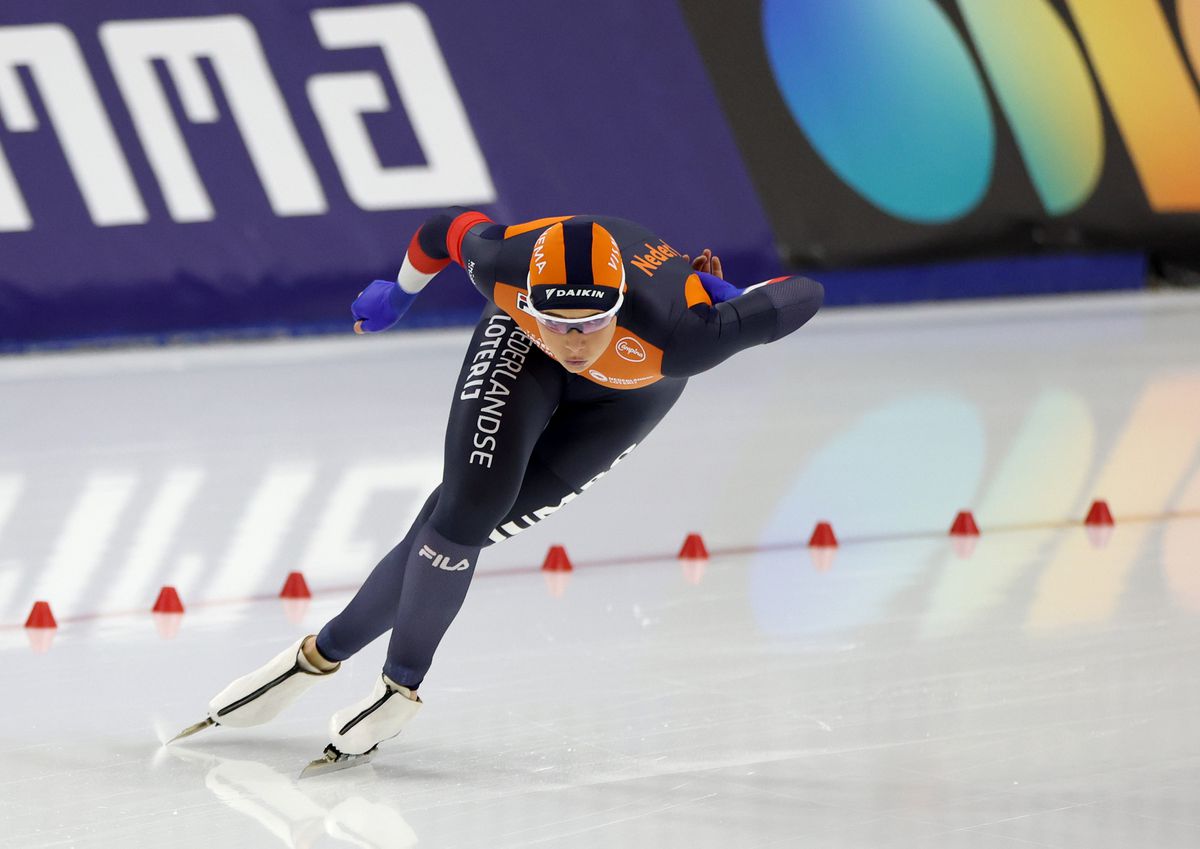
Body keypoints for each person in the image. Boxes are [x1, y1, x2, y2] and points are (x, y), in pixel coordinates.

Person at [172, 209, 823, 775]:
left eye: (590, 321)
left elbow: (805, 291)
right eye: (556, 319)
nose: (572, 341)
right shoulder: (501, 266)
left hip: (629, 396)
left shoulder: (686, 337)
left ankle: (352, 670)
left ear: (618, 304)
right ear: (529, 297)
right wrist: (399, 293)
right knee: (460, 512)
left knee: (459, 526)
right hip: (519, 356)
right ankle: (350, 670)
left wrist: (739, 298)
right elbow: (439, 232)